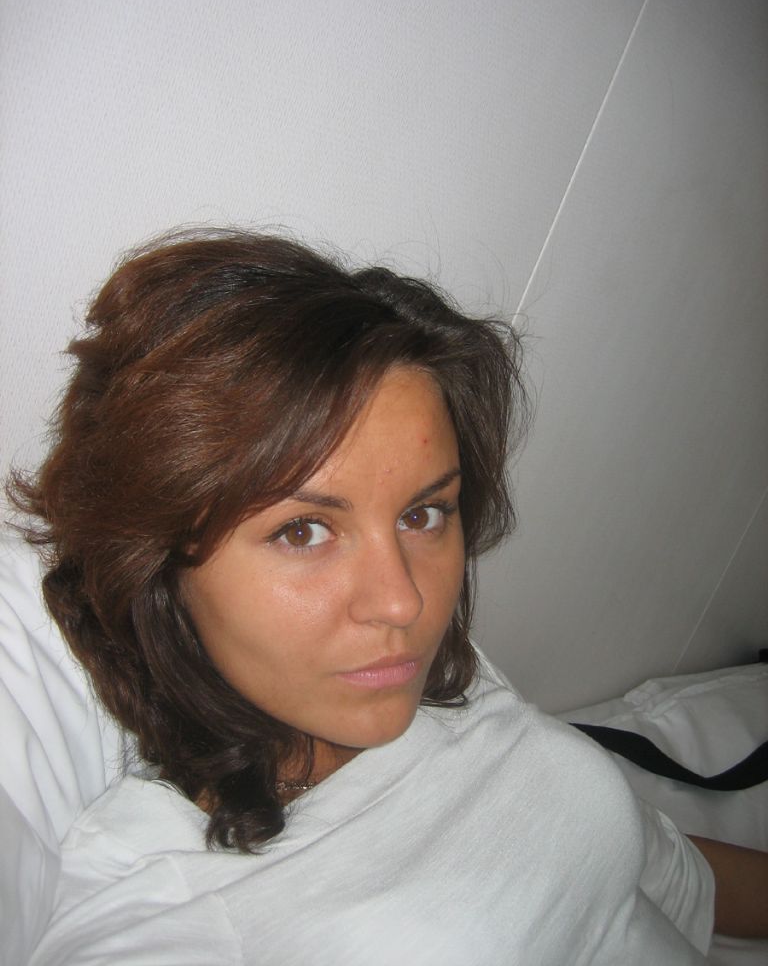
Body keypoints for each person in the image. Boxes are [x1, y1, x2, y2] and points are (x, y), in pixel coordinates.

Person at [7, 229, 766, 964]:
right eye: (303, 531)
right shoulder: (167, 913)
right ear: (155, 562)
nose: (404, 604)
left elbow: (661, 871)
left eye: (422, 515)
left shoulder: (446, 689)